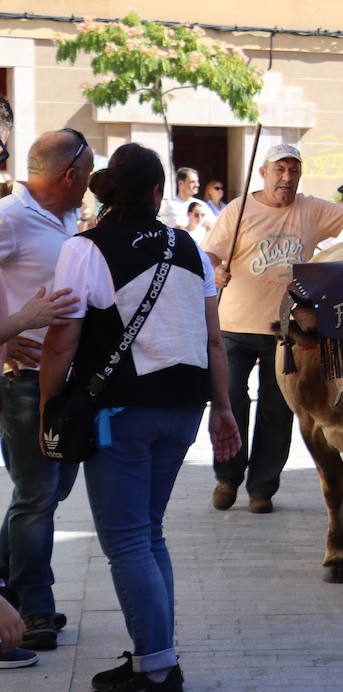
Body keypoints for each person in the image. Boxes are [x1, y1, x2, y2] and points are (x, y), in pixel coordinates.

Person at [40, 143, 241, 691]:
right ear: (158, 194)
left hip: (119, 414)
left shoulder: (84, 249)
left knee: (129, 542)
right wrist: (223, 409)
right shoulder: (189, 247)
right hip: (183, 410)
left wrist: (47, 408)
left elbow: (61, 344)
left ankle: (156, 670)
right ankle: (156, 657)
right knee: (148, 534)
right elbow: (215, 339)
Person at [201, 144, 343, 514]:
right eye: (279, 170)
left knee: (277, 412)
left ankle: (261, 489)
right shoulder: (238, 210)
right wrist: (216, 271)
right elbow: (211, 254)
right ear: (264, 172)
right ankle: (227, 478)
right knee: (231, 402)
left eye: (293, 171)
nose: (286, 178)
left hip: (288, 330)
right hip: (234, 325)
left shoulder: (311, 209)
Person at [0, 127, 93, 652]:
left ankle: (6, 591)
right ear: (69, 174)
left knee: (46, 494)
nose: (93, 182)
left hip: (67, 380)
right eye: (89, 172)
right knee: (36, 498)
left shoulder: (59, 216)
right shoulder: (10, 219)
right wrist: (14, 328)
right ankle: (34, 609)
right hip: (28, 383)